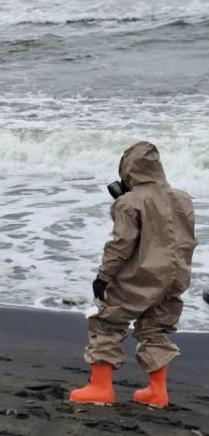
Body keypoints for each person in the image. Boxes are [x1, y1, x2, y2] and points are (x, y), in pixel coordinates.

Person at [70, 141, 196, 408]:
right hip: (175, 275)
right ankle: (157, 392)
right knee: (155, 328)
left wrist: (103, 276)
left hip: (141, 274)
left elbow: (121, 245)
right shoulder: (183, 198)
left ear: (128, 170)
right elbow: (186, 241)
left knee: (107, 321)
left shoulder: (129, 202)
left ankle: (100, 388)